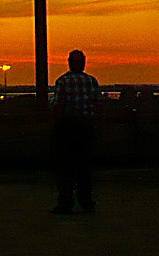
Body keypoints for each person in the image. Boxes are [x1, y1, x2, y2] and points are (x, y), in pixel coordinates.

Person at [50, 49, 100, 214]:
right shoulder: (91, 81)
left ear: (69, 63)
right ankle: (86, 202)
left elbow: (57, 106)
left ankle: (66, 202)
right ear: (84, 63)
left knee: (66, 168)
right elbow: (97, 105)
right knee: (85, 168)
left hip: (68, 127)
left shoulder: (63, 81)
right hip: (86, 127)